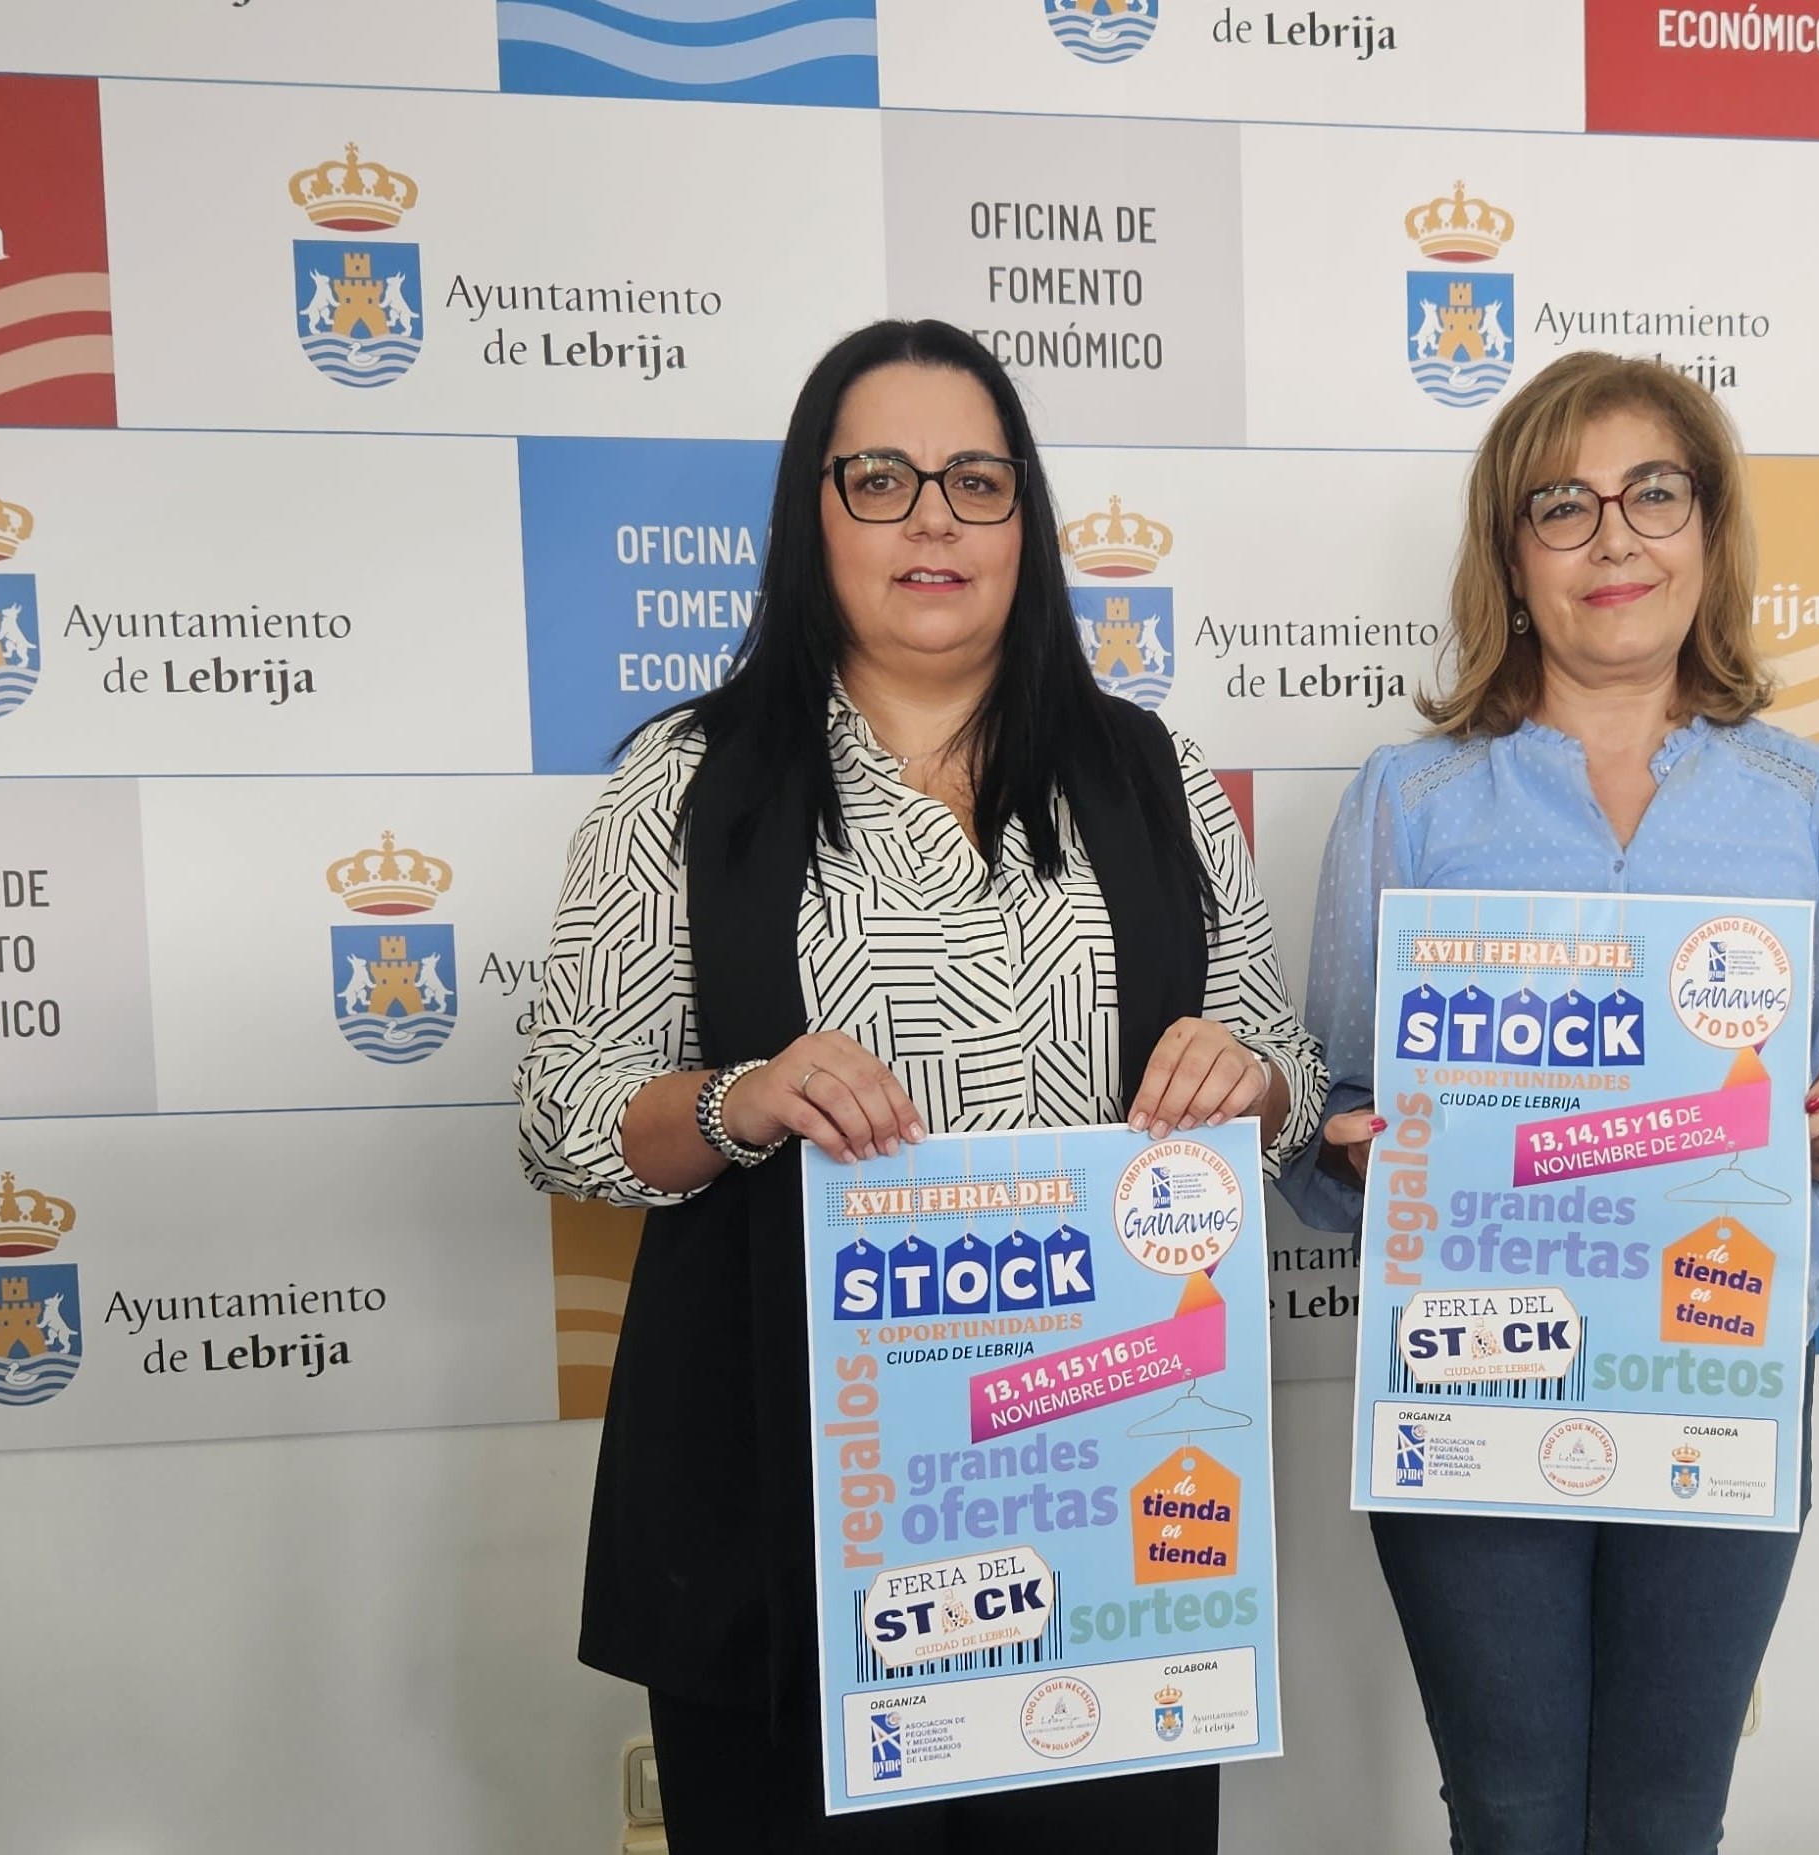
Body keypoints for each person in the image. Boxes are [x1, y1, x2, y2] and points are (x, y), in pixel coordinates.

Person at [516, 318, 1326, 1852]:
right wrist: (738, 1099)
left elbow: (1276, 1065)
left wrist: (1253, 1081)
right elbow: (564, 1112)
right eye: (880, 479)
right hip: (792, 1515)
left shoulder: (1152, 777)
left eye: (975, 480)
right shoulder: (683, 781)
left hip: (1106, 1503)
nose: (933, 520)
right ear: (810, 512)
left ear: (1024, 515)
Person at [1279, 351, 1819, 1854]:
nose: (1612, 539)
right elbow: (1327, 1117)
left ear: (1707, 531)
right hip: (1470, 1371)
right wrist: (1357, 1149)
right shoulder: (1410, 801)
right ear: (1511, 557)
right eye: (1562, 506)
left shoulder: (1803, 801)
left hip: (1719, 1360)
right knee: (1511, 1817)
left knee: (1664, 1818)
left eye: (1653, 493)